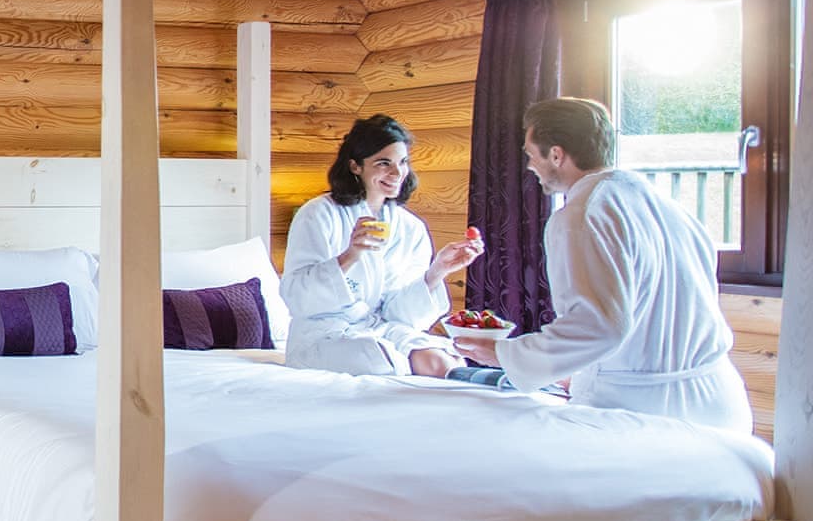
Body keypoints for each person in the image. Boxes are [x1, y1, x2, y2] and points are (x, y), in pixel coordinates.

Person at [452, 97, 752, 433]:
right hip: (721, 405)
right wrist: (580, 371)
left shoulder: (581, 216)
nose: (529, 166)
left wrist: (506, 356)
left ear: (556, 154)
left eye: (530, 154)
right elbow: (649, 316)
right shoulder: (669, 208)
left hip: (646, 411)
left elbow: (598, 325)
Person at [280, 115, 483, 376]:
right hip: (323, 332)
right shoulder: (318, 213)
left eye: (402, 162)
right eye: (383, 163)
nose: (397, 173)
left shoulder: (410, 227)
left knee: (442, 362)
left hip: (381, 327)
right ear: (355, 166)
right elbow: (297, 297)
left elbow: (401, 314)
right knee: (378, 360)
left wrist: (438, 271)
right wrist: (350, 256)